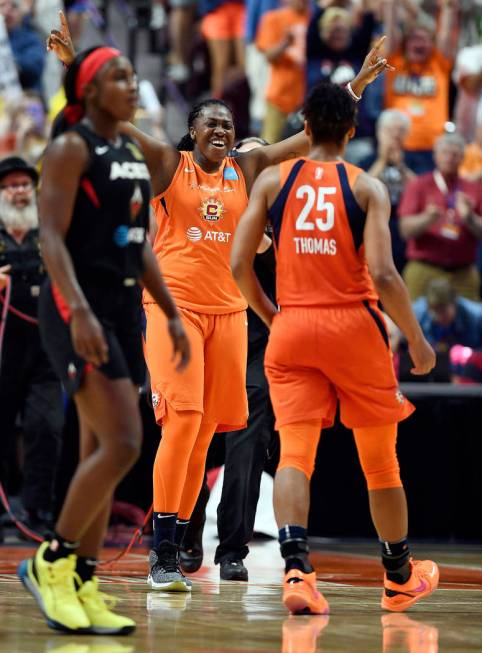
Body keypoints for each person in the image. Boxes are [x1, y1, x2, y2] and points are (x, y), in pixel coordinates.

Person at [47, 15, 391, 593]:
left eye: (229, 124)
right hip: (173, 311)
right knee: (180, 423)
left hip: (229, 316)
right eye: (212, 123)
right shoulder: (167, 165)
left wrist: (355, 87)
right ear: (192, 131)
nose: (224, 131)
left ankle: (180, 539)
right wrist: (71, 62)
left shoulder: (246, 169)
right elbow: (116, 121)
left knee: (205, 433)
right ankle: (160, 552)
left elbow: (306, 139)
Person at [231, 81, 439, 615]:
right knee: (381, 465)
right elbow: (386, 274)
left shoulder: (275, 181)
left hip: (293, 325)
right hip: (354, 327)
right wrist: (416, 340)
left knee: (295, 454)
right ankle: (398, 576)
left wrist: (273, 316)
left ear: (304, 128)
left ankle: (297, 570)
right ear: (351, 131)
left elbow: (237, 263)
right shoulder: (368, 187)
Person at [17, 45, 190, 635]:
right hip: (76, 310)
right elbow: (52, 239)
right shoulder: (70, 149)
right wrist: (82, 313)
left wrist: (168, 314)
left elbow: (138, 243)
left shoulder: (130, 155)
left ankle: (84, 582)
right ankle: (53, 560)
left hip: (121, 310)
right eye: (118, 75)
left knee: (102, 449)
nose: (132, 82)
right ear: (88, 91)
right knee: (124, 442)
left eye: (133, 73)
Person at [181, 135, 278, 581]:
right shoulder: (205, 197)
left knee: (247, 449)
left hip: (257, 344)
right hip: (205, 333)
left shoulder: (279, 211)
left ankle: (233, 550)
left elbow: (263, 251)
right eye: (245, 157)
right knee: (193, 439)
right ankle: (185, 537)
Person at [0, 155, 63, 537]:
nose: (18, 192)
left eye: (24, 185)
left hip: (45, 345)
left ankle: (37, 508)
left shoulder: (51, 229)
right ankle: (5, 505)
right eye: (10, 186)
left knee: (46, 425)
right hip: (3, 344)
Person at [398, 133, 482, 301]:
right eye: (445, 153)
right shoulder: (418, 185)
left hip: (463, 272)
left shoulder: (474, 188)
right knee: (416, 322)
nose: (449, 158)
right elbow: (405, 230)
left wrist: (469, 218)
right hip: (424, 268)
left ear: (463, 157)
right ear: (435, 155)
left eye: (455, 154)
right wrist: (427, 218)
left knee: (472, 322)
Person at [383, 0, 458, 173]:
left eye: (425, 39)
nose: (419, 43)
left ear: (432, 44)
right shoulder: (394, 62)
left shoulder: (439, 64)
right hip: (398, 146)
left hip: (433, 149)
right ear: (405, 43)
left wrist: (448, 7)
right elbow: (390, 26)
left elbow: (446, 32)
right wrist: (392, 5)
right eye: (414, 39)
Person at [360, 109, 414, 272]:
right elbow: (360, 189)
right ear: (379, 132)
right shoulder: (367, 160)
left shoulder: (413, 159)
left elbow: (420, 189)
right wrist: (382, 161)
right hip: (373, 221)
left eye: (401, 130)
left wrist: (402, 168)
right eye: (390, 130)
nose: (396, 135)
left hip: (401, 223)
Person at [256, 0, 309, 144]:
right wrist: (285, 42)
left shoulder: (315, 17)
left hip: (308, 97)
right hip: (280, 95)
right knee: (269, 145)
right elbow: (268, 56)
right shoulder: (274, 18)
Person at [412, 278, 482, 351]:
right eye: (435, 311)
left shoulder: (477, 317)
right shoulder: (417, 313)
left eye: (443, 311)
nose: (439, 317)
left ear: (455, 302)